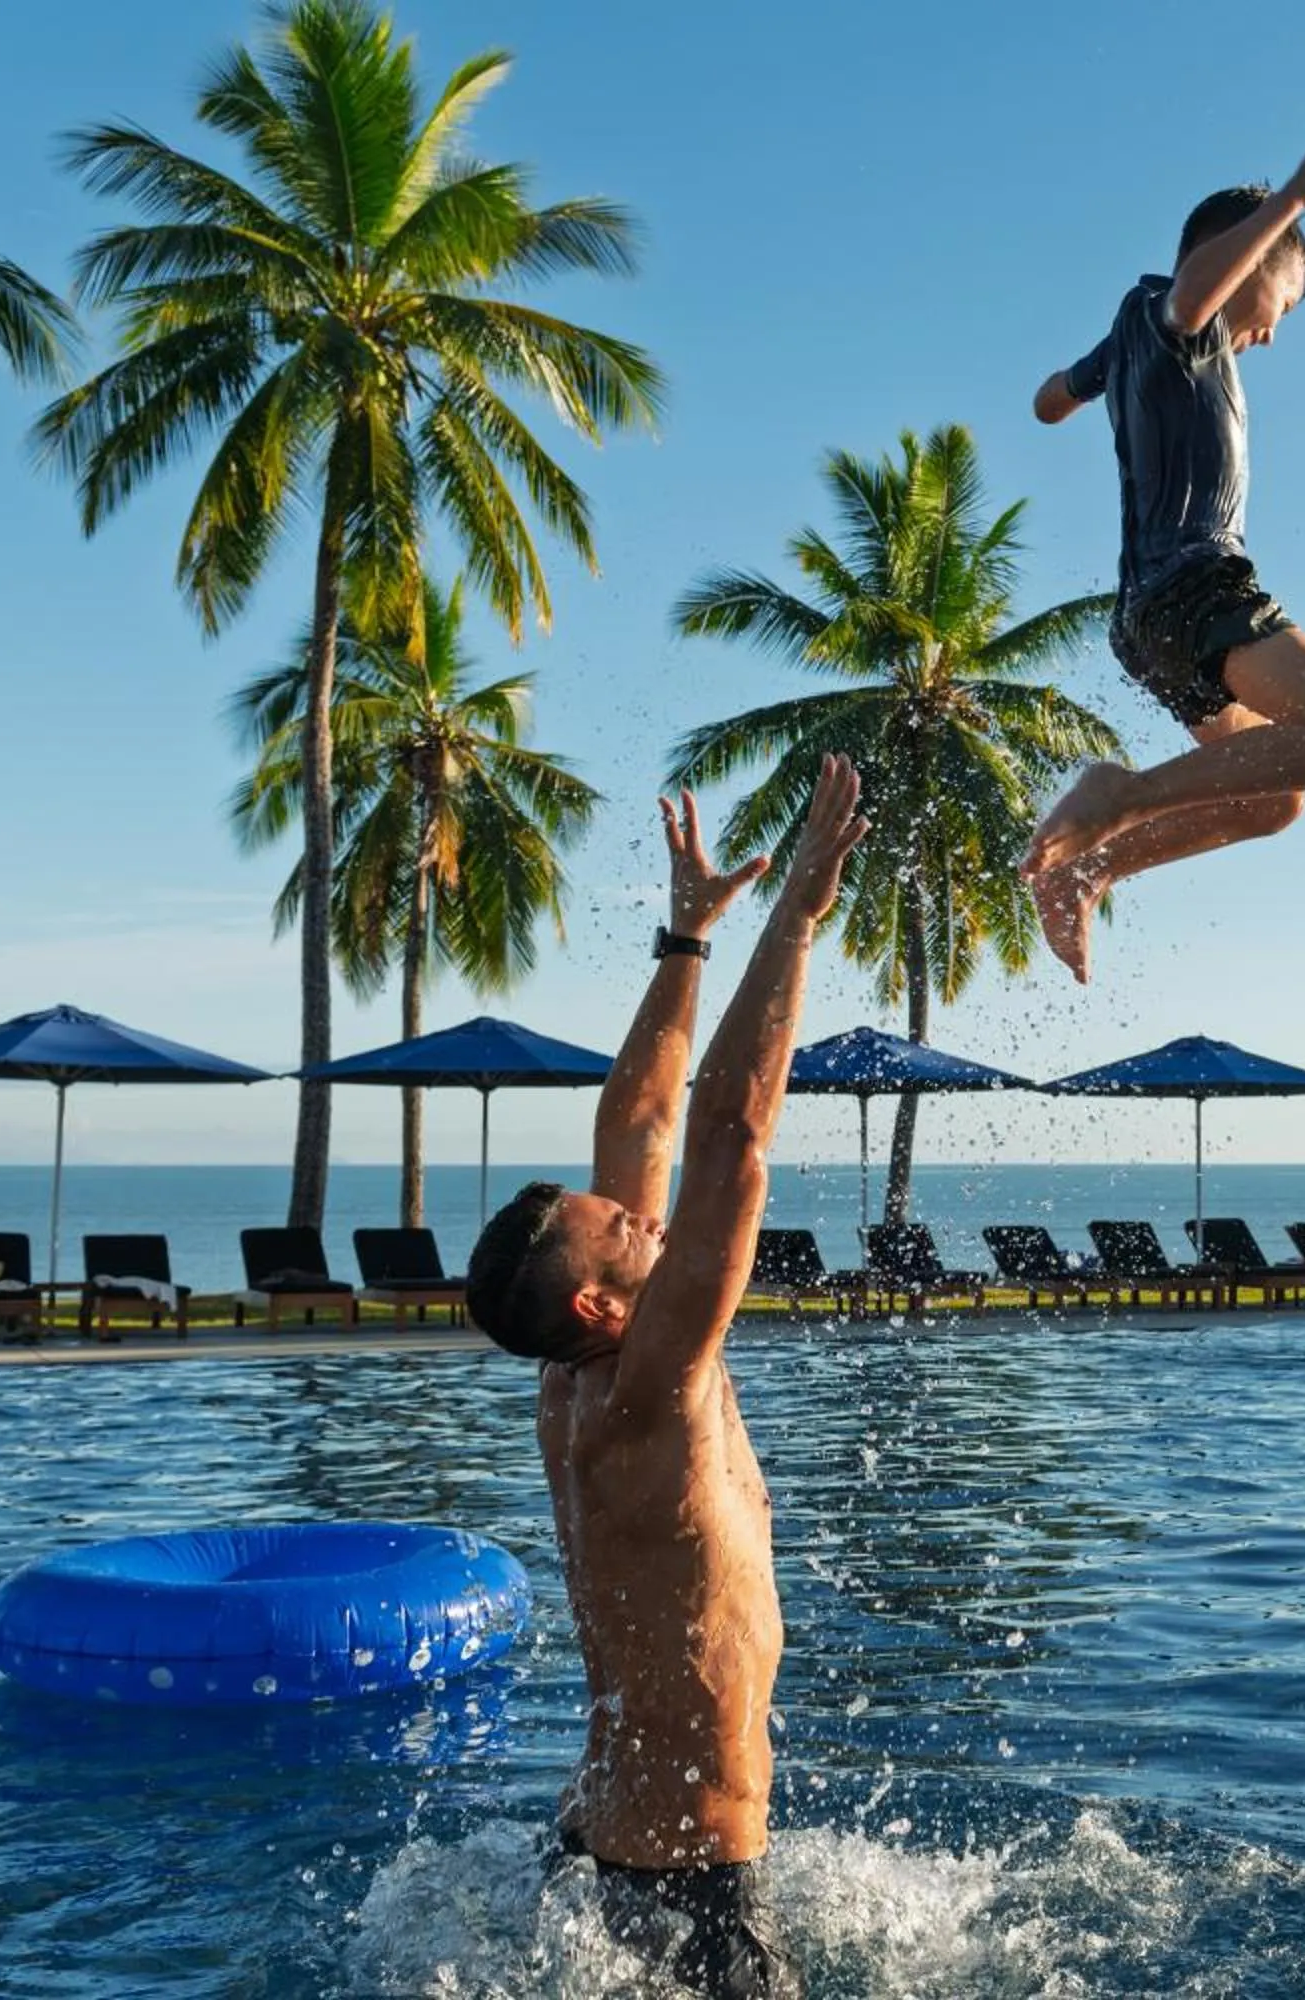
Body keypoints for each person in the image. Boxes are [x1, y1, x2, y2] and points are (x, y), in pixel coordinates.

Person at [463, 756, 867, 2000]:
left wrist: (686, 939)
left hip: (605, 1836)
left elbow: (640, 1123)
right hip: (688, 1883)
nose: (645, 1219)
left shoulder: (578, 1377)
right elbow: (731, 1139)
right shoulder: (653, 1385)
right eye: (624, 1230)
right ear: (597, 1301)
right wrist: (796, 913)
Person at [1021, 118, 1305, 981]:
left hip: (1147, 624)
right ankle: (1120, 798)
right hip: (1199, 586)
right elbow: (1197, 293)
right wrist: (1294, 198)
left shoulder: (1132, 339)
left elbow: (1044, 401)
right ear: (1241, 259)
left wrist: (1087, 387)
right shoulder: (1180, 321)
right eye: (1283, 303)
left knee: (1273, 801)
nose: (1275, 331)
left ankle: (1089, 867)